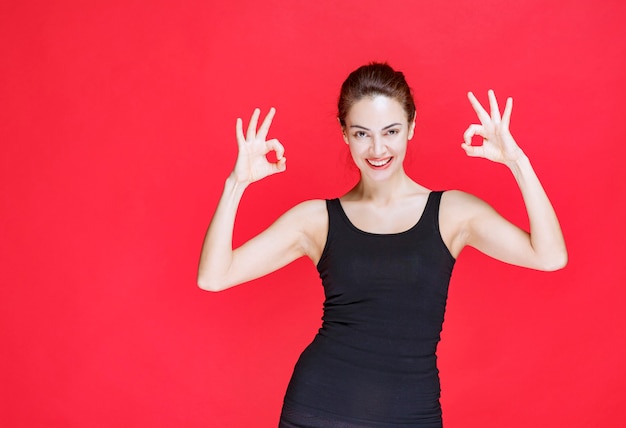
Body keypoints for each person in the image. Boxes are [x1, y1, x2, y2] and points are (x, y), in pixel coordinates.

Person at [197, 63, 567, 427]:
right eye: (361, 133)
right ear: (344, 133)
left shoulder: (453, 212)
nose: (377, 148)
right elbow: (214, 277)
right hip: (320, 410)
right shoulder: (316, 220)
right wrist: (236, 183)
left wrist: (518, 162)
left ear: (412, 126)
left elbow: (549, 256)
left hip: (412, 413)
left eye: (390, 131)